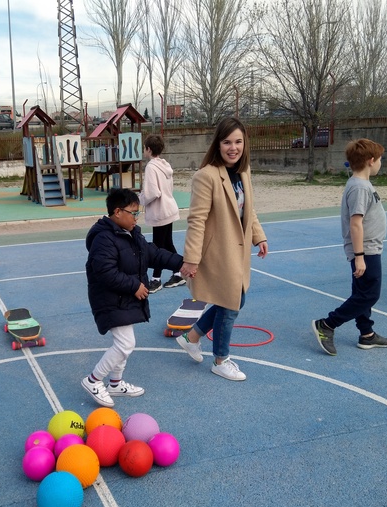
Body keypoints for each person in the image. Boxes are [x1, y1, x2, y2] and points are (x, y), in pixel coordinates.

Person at [176, 117, 268, 381]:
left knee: (236, 299)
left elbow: (249, 211)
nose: (233, 147)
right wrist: (191, 259)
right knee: (232, 303)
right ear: (217, 144)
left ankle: (191, 337)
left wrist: (258, 236)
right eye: (227, 141)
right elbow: (197, 220)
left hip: (238, 251)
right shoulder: (206, 176)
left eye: (238, 141)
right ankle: (220, 359)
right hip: (218, 252)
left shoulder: (243, 171)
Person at [82, 187, 184, 407]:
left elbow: (153, 254)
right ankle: (93, 380)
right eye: (134, 212)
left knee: (123, 343)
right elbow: (104, 272)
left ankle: (115, 384)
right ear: (117, 212)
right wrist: (134, 285)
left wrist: (182, 264)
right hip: (109, 299)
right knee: (126, 344)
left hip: (123, 299)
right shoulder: (103, 239)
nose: (137, 218)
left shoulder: (131, 233)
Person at [312, 138, 387, 355]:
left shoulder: (361, 184)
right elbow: (356, 223)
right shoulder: (359, 187)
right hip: (366, 250)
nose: (380, 164)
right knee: (369, 295)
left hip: (368, 249)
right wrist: (359, 256)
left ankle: (366, 334)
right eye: (380, 160)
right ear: (370, 160)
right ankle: (327, 324)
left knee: (361, 292)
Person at [139, 134, 184, 293]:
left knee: (158, 247)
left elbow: (152, 192)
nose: (144, 150)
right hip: (169, 208)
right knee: (167, 243)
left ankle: (156, 279)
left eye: (145, 148)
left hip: (160, 211)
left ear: (148, 149)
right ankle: (180, 271)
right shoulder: (165, 165)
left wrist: (141, 198)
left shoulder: (151, 166)